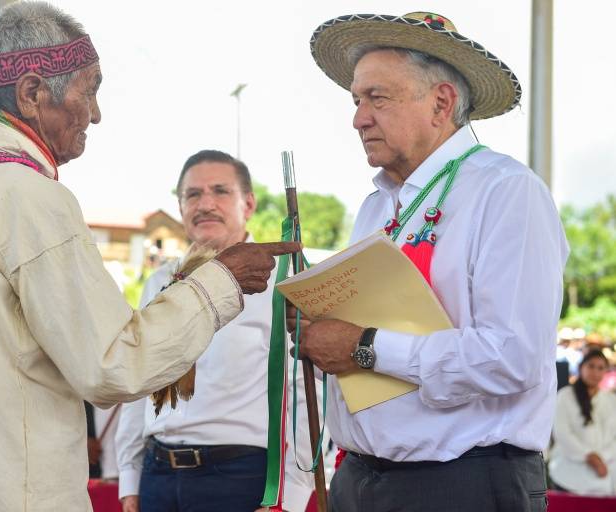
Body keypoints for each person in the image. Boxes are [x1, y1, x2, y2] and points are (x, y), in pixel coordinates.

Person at [0, 4, 297, 511]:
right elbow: (114, 362)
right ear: (31, 93)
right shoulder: (24, 194)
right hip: (5, 492)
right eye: (89, 90)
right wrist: (222, 280)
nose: (95, 113)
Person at [291, 11, 568, 511]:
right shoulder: (377, 205)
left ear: (441, 102)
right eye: (356, 100)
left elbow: (513, 357)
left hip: (463, 482)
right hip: (363, 476)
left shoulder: (505, 191)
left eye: (377, 97)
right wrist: (319, 331)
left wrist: (362, 347)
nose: (358, 118)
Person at [116, 150, 315, 512]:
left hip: (240, 478)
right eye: (193, 194)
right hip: (157, 476)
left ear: (249, 203)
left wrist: (291, 495)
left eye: (220, 191)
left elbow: (305, 391)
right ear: (180, 208)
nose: (205, 204)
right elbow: (137, 379)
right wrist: (129, 478)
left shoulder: (281, 281)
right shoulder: (160, 281)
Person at [549, 350, 616, 495]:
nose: (595, 372)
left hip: (605, 470)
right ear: (581, 367)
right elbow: (562, 433)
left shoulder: (611, 400)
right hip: (569, 470)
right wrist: (590, 457)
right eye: (591, 366)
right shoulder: (565, 396)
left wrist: (601, 459)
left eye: (600, 368)